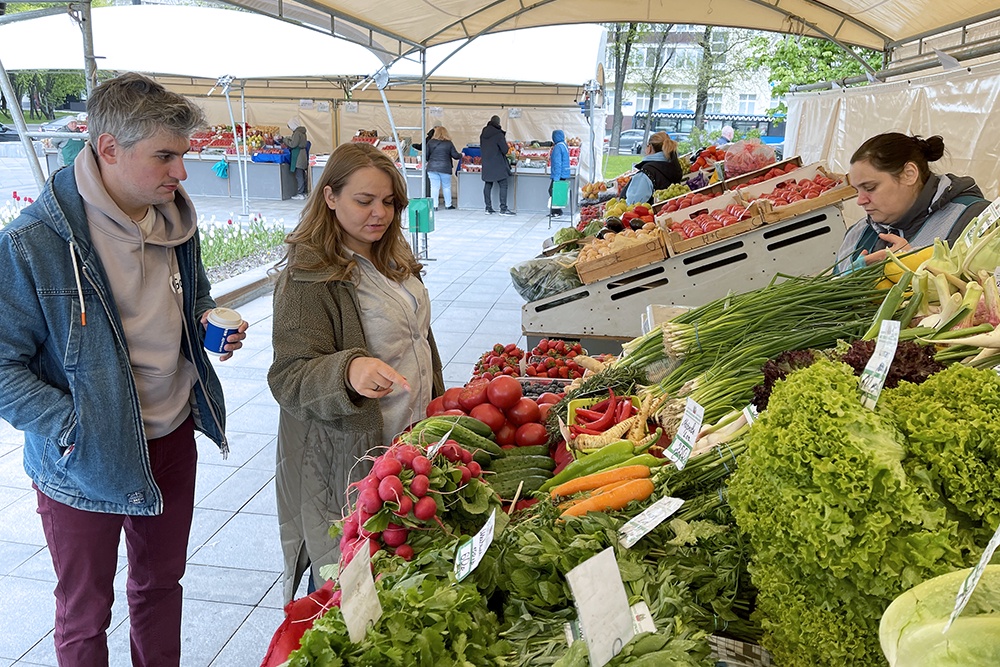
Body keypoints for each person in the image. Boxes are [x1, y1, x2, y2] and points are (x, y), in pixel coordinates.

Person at [0, 72, 248, 666]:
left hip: (171, 436)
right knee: (85, 612)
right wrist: (74, 427)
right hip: (83, 457)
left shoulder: (176, 222)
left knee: (160, 587)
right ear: (109, 148)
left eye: (182, 155)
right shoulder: (34, 242)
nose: (181, 172)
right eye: (164, 156)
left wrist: (207, 323)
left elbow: (193, 298)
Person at [267, 141, 444, 602]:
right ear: (330, 196)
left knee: (396, 575)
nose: (379, 213)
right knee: (343, 578)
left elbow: (419, 341)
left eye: (388, 202)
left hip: (410, 445)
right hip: (349, 457)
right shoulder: (308, 276)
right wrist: (348, 372)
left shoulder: (391, 259)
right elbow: (288, 377)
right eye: (364, 201)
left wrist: (443, 406)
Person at [836, 132, 990, 272]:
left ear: (909, 174)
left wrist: (915, 266)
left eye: (870, 188)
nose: (860, 201)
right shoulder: (856, 235)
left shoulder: (976, 219)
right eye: (857, 190)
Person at [624, 131, 684, 205]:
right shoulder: (674, 167)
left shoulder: (646, 172)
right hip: (669, 208)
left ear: (650, 147)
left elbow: (633, 203)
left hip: (650, 212)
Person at [480, 114, 515, 216]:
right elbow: (505, 150)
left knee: (488, 184)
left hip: (487, 162)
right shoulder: (499, 134)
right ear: (498, 123)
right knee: (503, 184)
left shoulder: (483, 134)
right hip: (498, 163)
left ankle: (488, 208)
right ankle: (503, 209)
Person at [425, 125, 462, 210]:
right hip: (445, 168)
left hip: (432, 168)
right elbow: (455, 156)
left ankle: (434, 206)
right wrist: (461, 155)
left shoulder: (430, 142)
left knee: (434, 187)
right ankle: (448, 205)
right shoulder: (448, 143)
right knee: (446, 186)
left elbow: (426, 156)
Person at [283, 117, 309, 200]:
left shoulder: (297, 133)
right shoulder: (302, 132)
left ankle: (300, 193)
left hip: (298, 156)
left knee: (299, 175)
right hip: (303, 154)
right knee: (302, 174)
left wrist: (285, 140)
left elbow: (293, 144)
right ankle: (304, 192)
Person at [548, 129, 571, 218]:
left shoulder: (558, 147)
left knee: (553, 191)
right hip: (564, 172)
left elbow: (557, 163)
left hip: (559, 173)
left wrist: (556, 177)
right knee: (557, 191)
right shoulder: (564, 145)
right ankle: (557, 211)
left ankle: (556, 211)